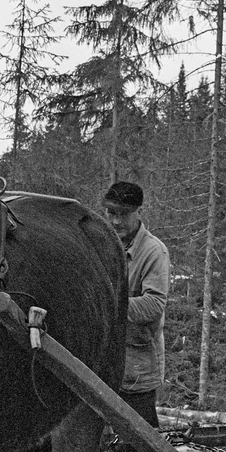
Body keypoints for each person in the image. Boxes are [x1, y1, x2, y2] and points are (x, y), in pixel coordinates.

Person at [102, 180, 170, 428]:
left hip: (136, 367)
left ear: (138, 212)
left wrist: (107, 304)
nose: (116, 221)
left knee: (142, 444)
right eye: (111, 213)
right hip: (102, 361)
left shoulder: (154, 252)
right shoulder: (101, 243)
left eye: (123, 214)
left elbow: (154, 304)